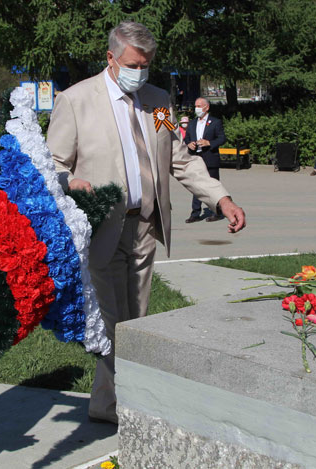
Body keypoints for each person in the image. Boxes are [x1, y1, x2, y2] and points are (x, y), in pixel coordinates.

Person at [46, 21, 246, 424]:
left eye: (148, 64)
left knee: (135, 318)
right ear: (111, 58)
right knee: (109, 318)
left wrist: (219, 197)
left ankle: (114, 401)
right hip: (102, 225)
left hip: (145, 227)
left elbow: (178, 158)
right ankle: (113, 401)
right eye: (135, 64)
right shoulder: (76, 100)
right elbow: (51, 164)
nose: (142, 71)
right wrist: (70, 182)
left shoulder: (157, 102)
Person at [184, 98, 226, 223]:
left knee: (212, 185)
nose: (196, 108)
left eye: (199, 106)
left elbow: (222, 138)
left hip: (210, 157)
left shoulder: (215, 122)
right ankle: (195, 213)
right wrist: (189, 144)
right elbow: (187, 138)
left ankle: (216, 212)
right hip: (195, 158)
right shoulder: (192, 123)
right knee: (196, 185)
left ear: (206, 107)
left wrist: (209, 143)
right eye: (195, 105)